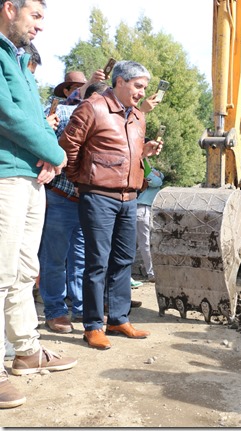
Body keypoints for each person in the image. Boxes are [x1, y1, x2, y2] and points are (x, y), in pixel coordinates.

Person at [0, 0, 77, 409]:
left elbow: (30, 119)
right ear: (10, 8)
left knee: (24, 269)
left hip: (28, 175)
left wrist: (43, 157)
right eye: (36, 15)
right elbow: (7, 116)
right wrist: (55, 152)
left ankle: (26, 351)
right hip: (5, 176)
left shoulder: (18, 60)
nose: (41, 27)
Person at [59, 60, 163, 350]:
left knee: (123, 260)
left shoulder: (137, 117)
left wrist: (144, 151)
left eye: (144, 87)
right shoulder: (92, 107)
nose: (142, 93)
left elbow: (126, 154)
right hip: (98, 197)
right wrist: (83, 181)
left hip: (129, 198)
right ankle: (93, 325)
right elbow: (68, 148)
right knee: (97, 262)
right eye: (138, 86)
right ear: (120, 82)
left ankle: (118, 318)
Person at [37, 77, 106, 334]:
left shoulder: (108, 118)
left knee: (81, 258)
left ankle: (79, 307)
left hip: (88, 201)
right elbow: (39, 139)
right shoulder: (62, 114)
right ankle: (55, 311)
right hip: (60, 197)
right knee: (54, 258)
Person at [136, 160, 164, 282]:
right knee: (144, 243)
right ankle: (151, 273)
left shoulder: (148, 169)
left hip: (145, 209)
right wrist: (154, 174)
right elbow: (157, 181)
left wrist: (154, 173)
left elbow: (160, 176)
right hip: (141, 208)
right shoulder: (142, 167)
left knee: (142, 242)